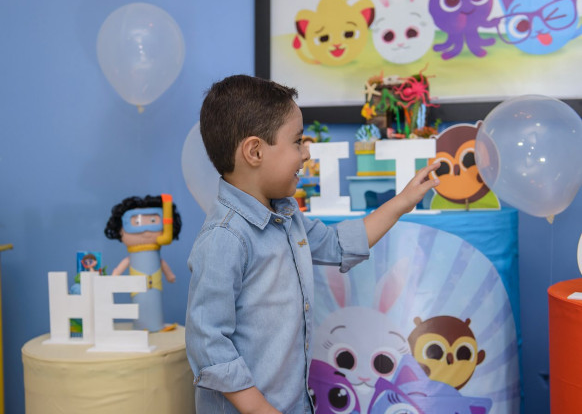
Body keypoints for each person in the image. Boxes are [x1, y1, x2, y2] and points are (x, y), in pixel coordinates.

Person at [185, 74, 440, 414]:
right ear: (255, 151)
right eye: (297, 142)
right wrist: (258, 408)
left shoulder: (287, 216)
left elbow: (337, 244)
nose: (306, 153)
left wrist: (402, 202)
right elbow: (207, 341)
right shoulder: (225, 237)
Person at [105, 194, 182, 332]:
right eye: (136, 223)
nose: (146, 229)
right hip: (137, 286)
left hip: (155, 284)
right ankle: (141, 326)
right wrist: (115, 275)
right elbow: (124, 264)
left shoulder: (155, 255)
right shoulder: (132, 257)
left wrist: (169, 275)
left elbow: (162, 264)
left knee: (154, 304)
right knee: (140, 304)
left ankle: (156, 325)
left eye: (153, 221)